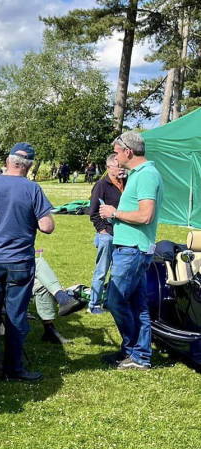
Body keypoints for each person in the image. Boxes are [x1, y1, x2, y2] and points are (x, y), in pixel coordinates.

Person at [0, 143, 55, 381]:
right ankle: (14, 368)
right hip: (19, 260)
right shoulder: (32, 188)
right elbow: (46, 226)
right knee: (16, 316)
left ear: (8, 162)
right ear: (28, 166)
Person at [98, 131, 164, 370]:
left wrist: (114, 213)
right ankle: (138, 355)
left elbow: (145, 215)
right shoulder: (140, 174)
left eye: (116, 152)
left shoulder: (146, 176)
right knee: (138, 306)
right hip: (133, 248)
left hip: (134, 250)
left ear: (128, 151)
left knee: (115, 301)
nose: (115, 158)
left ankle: (135, 350)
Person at [87, 153, 126, 314]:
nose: (121, 169)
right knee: (102, 271)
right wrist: (103, 231)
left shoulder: (128, 183)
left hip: (124, 234)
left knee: (118, 272)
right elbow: (93, 212)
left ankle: (110, 302)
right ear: (109, 167)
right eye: (118, 166)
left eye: (122, 166)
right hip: (107, 235)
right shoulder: (101, 185)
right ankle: (94, 304)